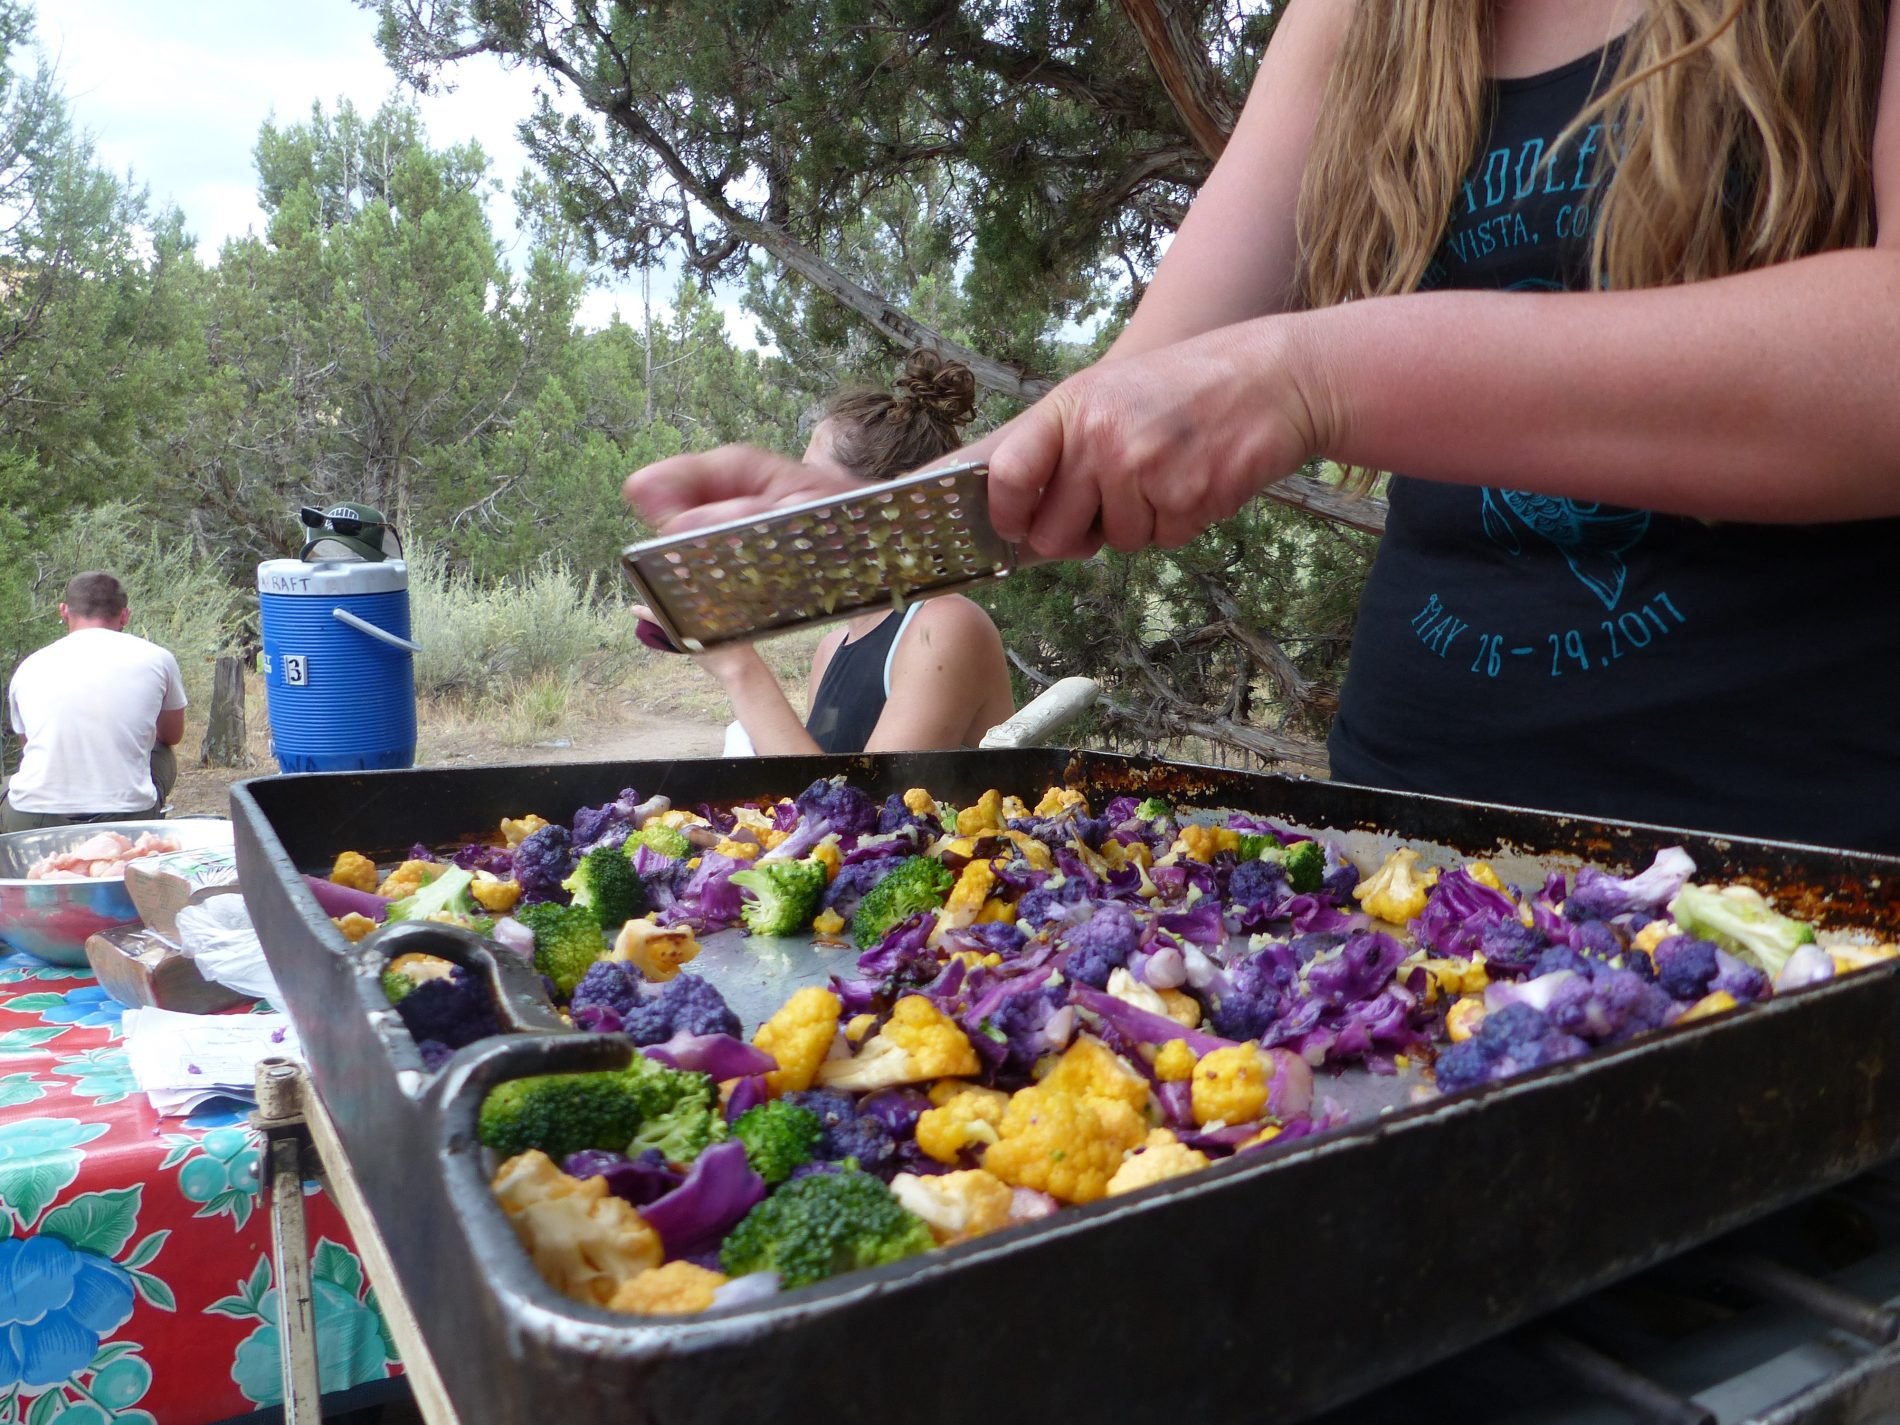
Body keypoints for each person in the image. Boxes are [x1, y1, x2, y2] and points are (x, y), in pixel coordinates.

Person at [628, 0, 1900, 853]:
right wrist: (852, 533)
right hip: (1409, 851)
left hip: (1811, 859)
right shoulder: (1360, 18)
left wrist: (1313, 378)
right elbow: (1127, 406)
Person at [646, 350, 1015, 755]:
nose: (792, 504)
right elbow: (812, 801)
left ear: (889, 508)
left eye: (810, 482)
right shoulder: (832, 647)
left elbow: (869, 813)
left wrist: (738, 667)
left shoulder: (946, 626)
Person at [4, 572, 187, 831]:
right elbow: (171, 735)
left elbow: (28, 746)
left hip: (32, 815)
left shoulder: (29, 666)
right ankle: (143, 824)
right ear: (125, 615)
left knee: (9, 783)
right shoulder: (158, 658)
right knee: (162, 751)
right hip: (126, 814)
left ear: (64, 611)